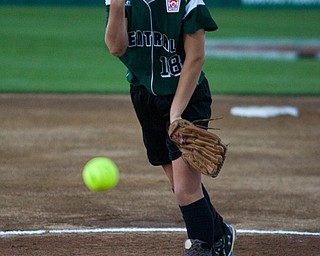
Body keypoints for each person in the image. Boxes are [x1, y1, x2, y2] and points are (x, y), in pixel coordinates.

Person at [104, 0, 236, 255]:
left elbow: (195, 58)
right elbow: (116, 47)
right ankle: (219, 232)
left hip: (187, 98)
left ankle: (201, 248)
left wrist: (176, 114)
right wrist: (118, 7)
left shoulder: (187, 2)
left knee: (185, 191)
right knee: (179, 183)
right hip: (145, 97)